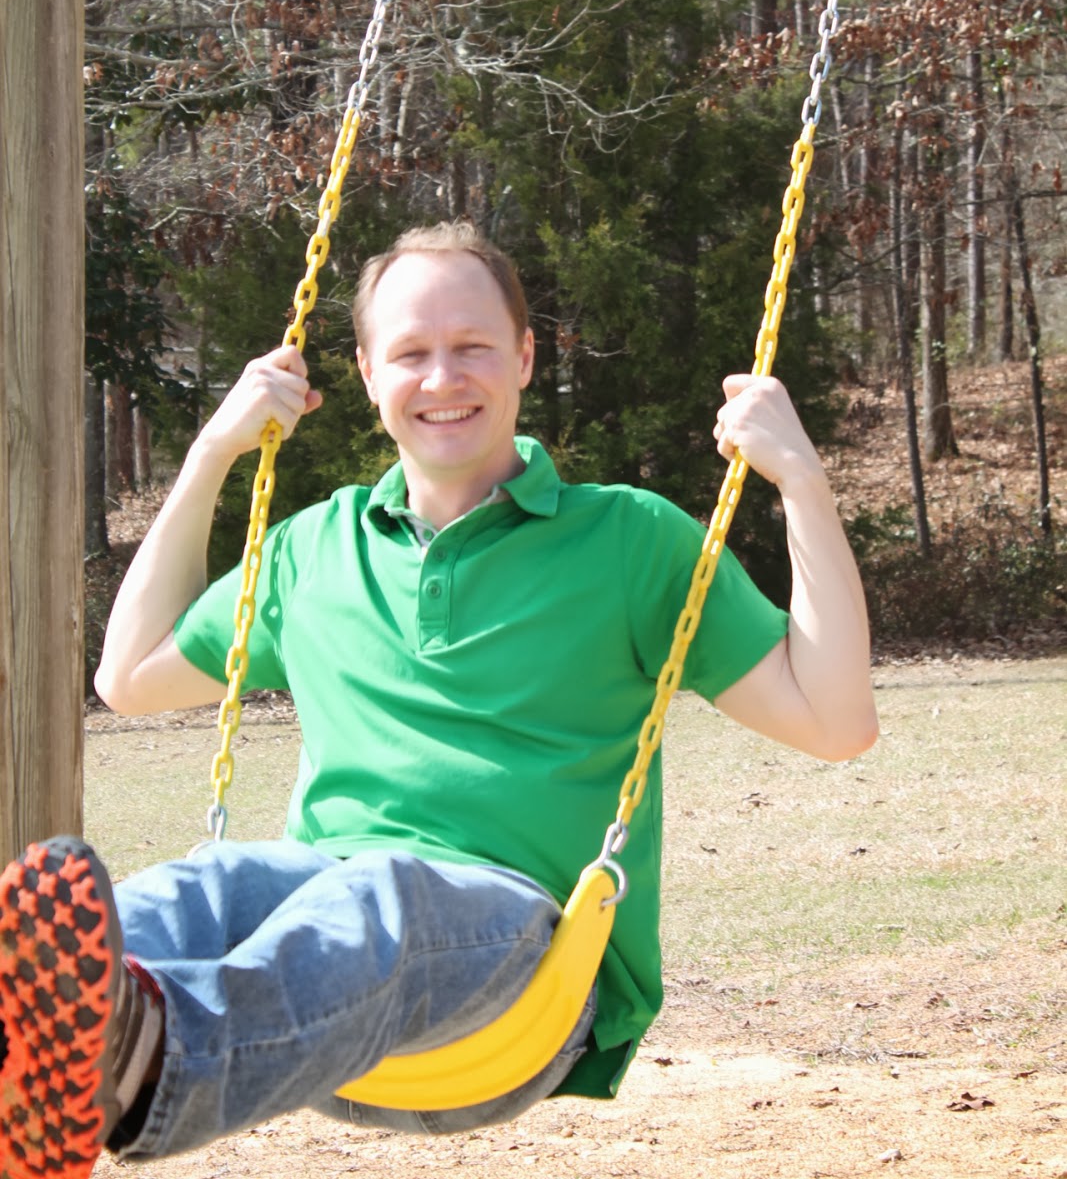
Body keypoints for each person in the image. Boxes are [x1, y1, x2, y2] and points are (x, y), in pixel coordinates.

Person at [0, 220, 876, 1179]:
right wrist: (213, 451)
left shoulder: (630, 542)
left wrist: (800, 480)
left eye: (472, 347)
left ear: (525, 358)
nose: (442, 377)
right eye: (411, 352)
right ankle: (36, 1045)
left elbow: (833, 722)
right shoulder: (313, 549)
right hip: (312, 962)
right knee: (204, 889)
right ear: (367, 373)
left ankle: (137, 1068)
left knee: (385, 893)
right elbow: (128, 677)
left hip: (519, 976)